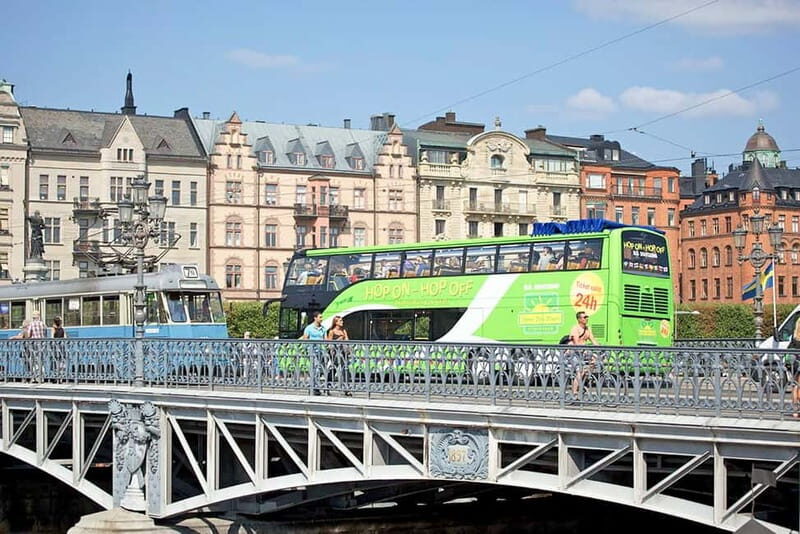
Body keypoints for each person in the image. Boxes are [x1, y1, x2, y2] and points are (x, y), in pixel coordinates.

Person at [569, 311, 597, 398]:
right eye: (584, 317)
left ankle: (585, 380)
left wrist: (600, 348)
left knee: (595, 360)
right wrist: (583, 350)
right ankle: (574, 392)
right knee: (579, 371)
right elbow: (576, 342)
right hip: (574, 352)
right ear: (579, 319)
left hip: (583, 351)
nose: (586, 319)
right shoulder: (575, 328)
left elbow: (593, 340)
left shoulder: (587, 329)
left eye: (586, 317)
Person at [301, 312, 327, 395]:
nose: (321, 319)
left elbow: (325, 340)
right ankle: (314, 387)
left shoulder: (323, 329)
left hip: (320, 351)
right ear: (315, 318)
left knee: (318, 369)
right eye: (320, 317)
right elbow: (305, 339)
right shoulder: (309, 328)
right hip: (312, 351)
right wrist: (305, 349)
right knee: (316, 368)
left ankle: (314, 386)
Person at [788, 320, 800, 418]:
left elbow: (789, 349)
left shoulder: (795, 337)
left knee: (795, 386)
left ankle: (795, 410)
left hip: (794, 363)